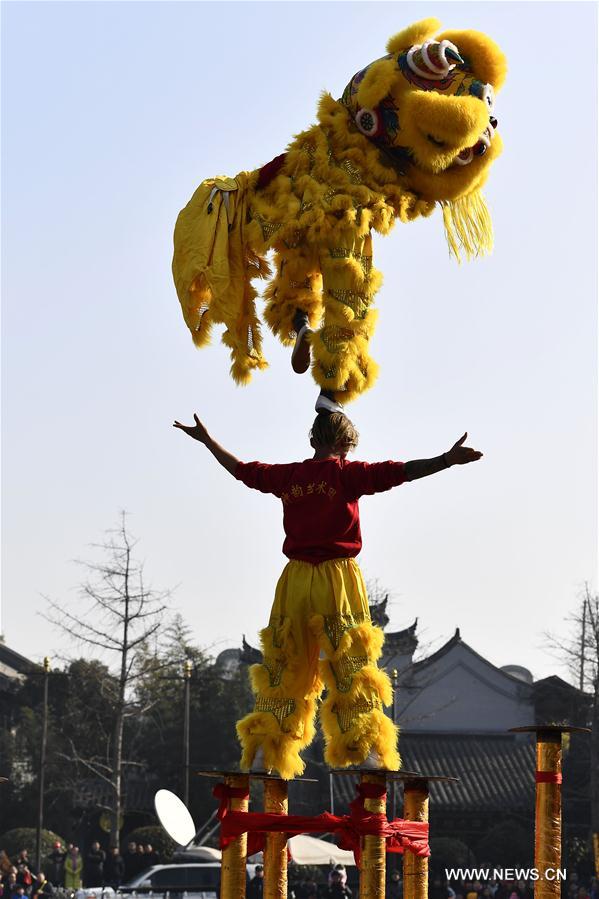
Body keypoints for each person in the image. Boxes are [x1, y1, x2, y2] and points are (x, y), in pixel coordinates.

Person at [174, 411, 482, 779]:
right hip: (336, 578)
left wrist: (208, 442)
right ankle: (365, 747)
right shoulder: (346, 474)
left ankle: (265, 752)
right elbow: (399, 472)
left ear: (313, 440)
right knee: (349, 661)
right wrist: (446, 460)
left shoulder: (289, 477)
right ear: (343, 444)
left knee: (284, 664)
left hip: (295, 579)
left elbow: (242, 470)